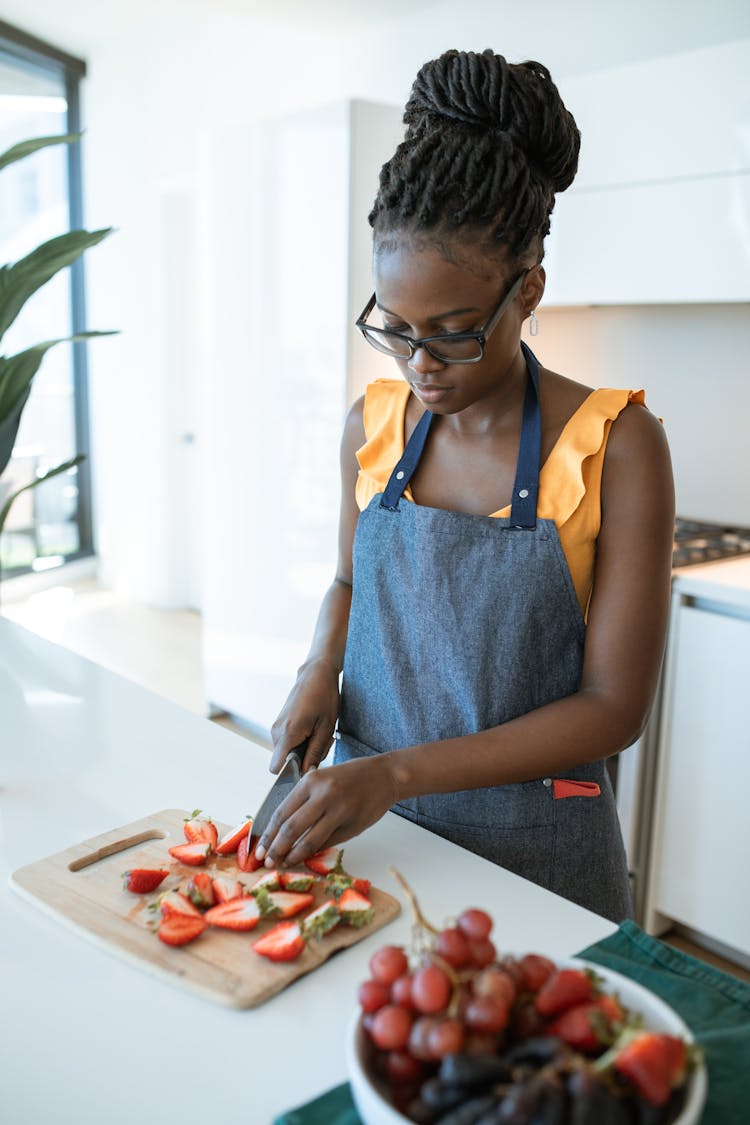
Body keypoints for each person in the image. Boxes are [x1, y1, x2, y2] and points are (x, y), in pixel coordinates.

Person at [254, 48, 674, 922]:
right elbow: (346, 583)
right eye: (396, 329)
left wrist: (398, 770)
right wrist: (316, 669)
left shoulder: (615, 445)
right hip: (377, 836)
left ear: (529, 290)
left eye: (451, 333)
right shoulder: (370, 427)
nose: (419, 366)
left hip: (540, 865)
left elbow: (612, 710)